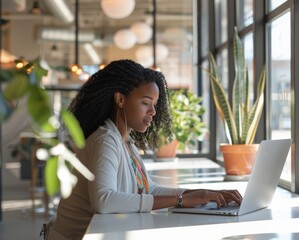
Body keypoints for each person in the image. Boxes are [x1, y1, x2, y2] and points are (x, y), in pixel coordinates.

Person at [46, 59, 242, 240]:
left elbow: (148, 189)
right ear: (120, 99)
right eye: (145, 103)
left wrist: (201, 193)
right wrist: (181, 200)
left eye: (155, 105)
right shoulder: (105, 141)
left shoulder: (125, 141)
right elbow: (104, 200)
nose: (153, 112)